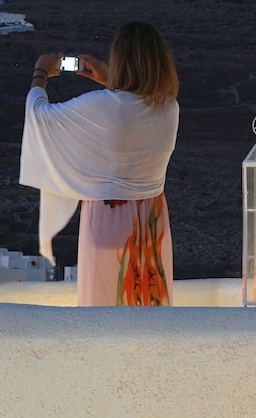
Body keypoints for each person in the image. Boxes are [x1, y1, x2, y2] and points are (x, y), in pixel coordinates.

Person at [19, 21, 179, 306]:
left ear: (121, 61)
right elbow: (131, 110)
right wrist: (110, 81)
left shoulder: (101, 105)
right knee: (149, 311)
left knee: (104, 310)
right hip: (154, 222)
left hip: (110, 220)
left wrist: (40, 72)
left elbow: (38, 116)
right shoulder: (169, 108)